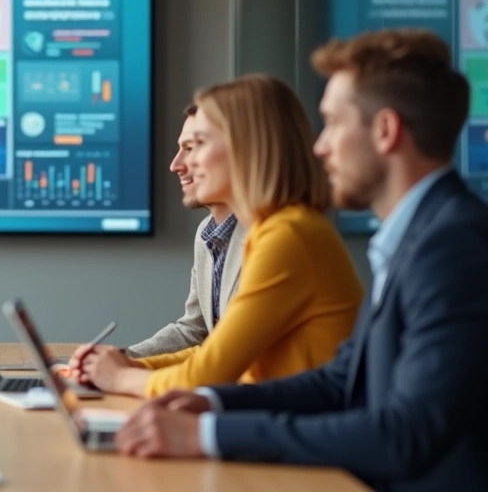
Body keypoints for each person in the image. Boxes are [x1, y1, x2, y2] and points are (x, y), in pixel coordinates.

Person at [115, 29, 488, 492]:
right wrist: (212, 403)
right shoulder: (415, 236)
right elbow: (338, 381)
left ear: (386, 131)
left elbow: (405, 434)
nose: (320, 146)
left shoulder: (452, 245)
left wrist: (209, 433)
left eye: (332, 123)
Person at [80, 75, 363, 398]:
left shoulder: (289, 236)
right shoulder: (273, 231)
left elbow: (208, 372)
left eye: (199, 144)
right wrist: (127, 367)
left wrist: (119, 379)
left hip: (300, 436)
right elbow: (211, 351)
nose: (186, 162)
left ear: (247, 148)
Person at [68, 104, 248, 378]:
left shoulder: (269, 237)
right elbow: (195, 332)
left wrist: (125, 376)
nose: (175, 165)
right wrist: (122, 359)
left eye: (192, 148)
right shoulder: (207, 234)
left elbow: (228, 354)